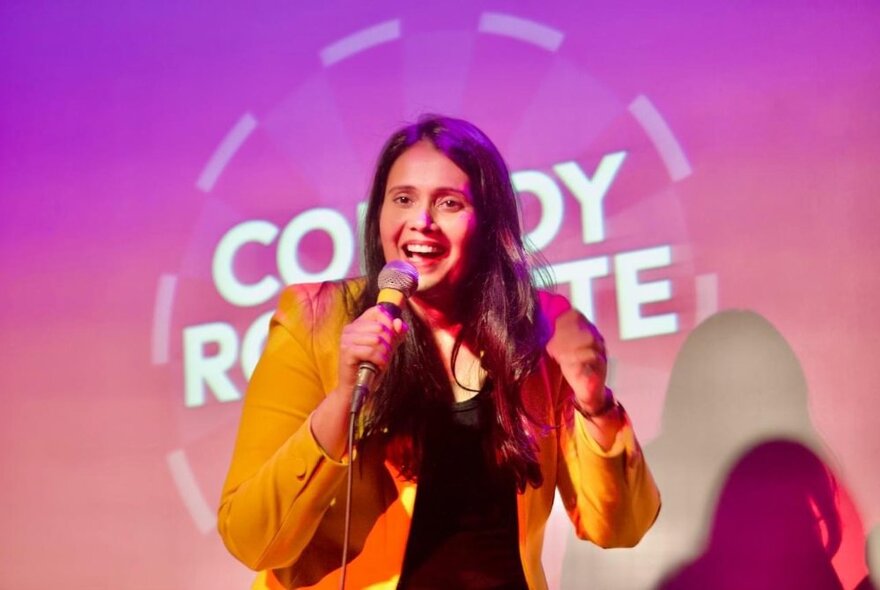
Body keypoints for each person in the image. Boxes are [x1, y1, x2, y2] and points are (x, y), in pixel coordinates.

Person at [218, 115, 660, 590]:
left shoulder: (535, 331)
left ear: (489, 224)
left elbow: (621, 528)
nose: (421, 222)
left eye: (448, 203)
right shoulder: (317, 321)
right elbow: (252, 540)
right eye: (403, 199)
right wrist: (344, 398)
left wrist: (595, 402)